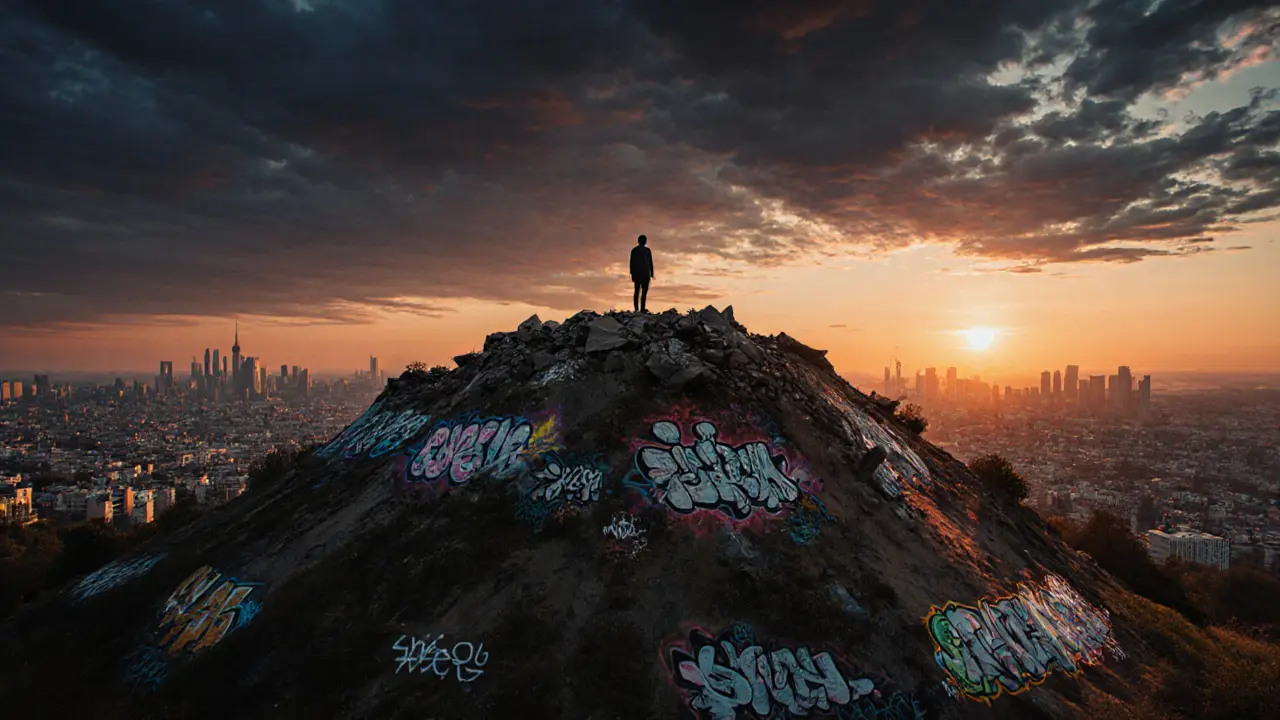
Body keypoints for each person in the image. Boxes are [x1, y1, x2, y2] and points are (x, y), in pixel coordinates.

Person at [629, 234, 655, 312]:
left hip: (639, 274)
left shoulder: (635, 250)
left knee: (637, 291)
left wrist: (632, 273)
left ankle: (638, 309)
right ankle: (641, 309)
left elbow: (631, 263)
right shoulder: (646, 250)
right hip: (644, 274)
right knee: (642, 292)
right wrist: (652, 273)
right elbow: (650, 262)